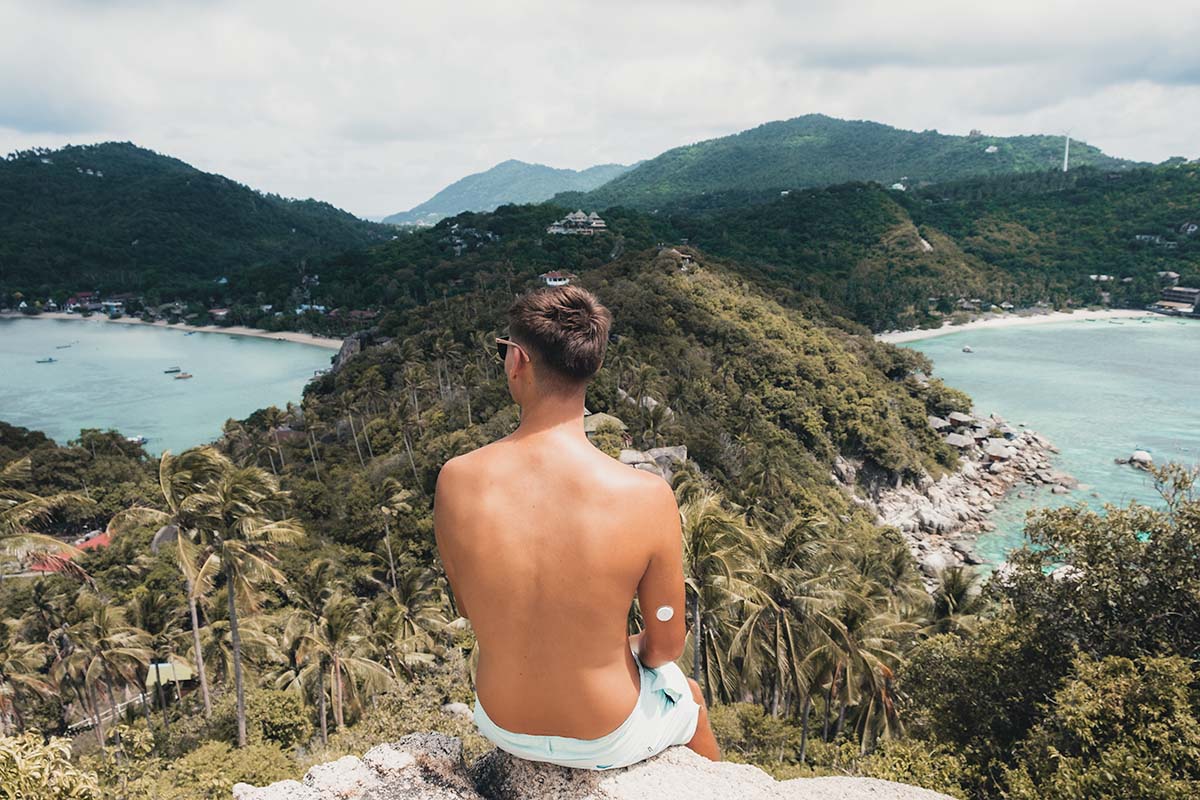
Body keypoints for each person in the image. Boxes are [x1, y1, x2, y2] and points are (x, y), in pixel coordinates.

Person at [434, 285, 720, 770]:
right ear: (592, 364)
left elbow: (469, 607)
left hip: (501, 721)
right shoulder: (645, 495)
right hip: (605, 732)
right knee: (688, 697)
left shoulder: (456, 479)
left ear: (517, 360)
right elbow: (666, 646)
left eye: (504, 349)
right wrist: (606, 649)